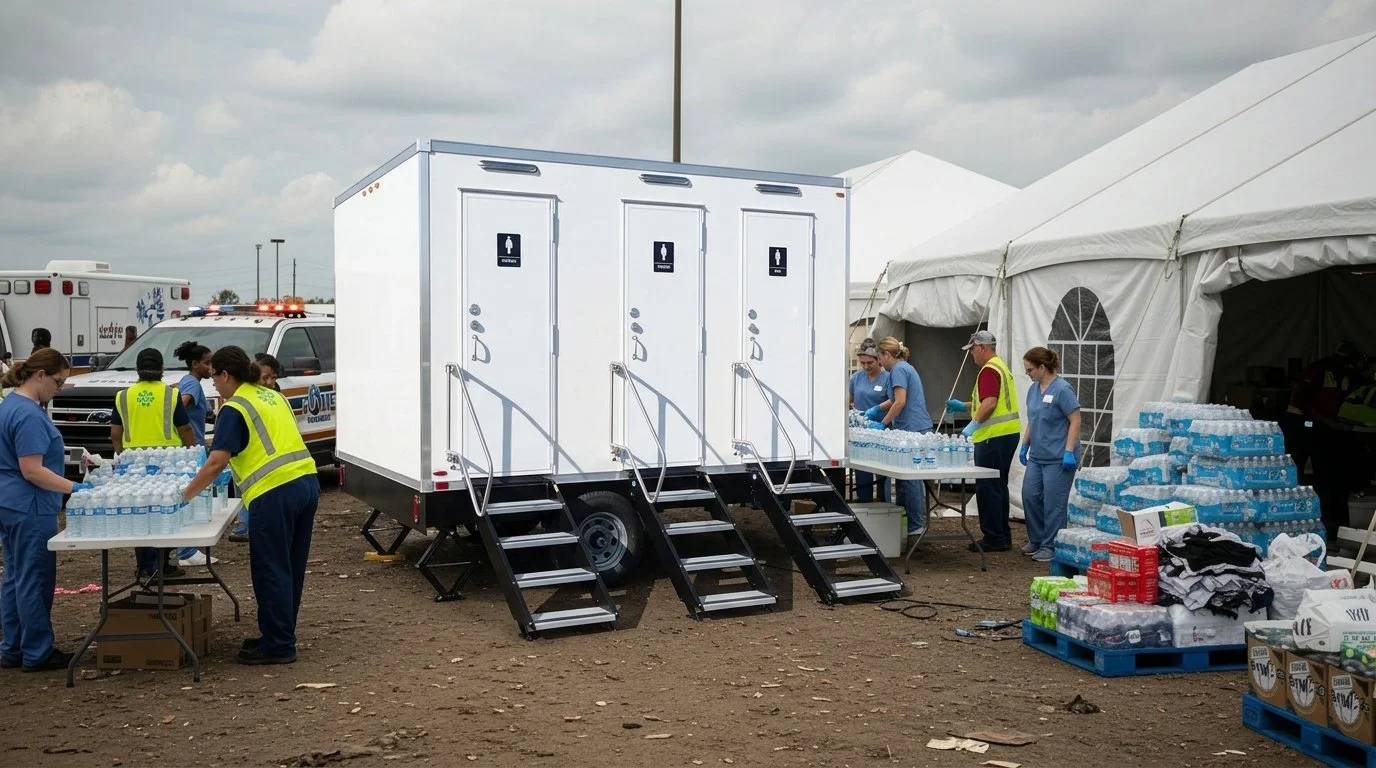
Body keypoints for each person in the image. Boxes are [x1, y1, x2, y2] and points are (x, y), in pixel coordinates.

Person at [181, 346, 319, 665]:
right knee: (290, 568)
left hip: (274, 492)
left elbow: (217, 461)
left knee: (270, 569)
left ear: (226, 375)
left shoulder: (236, 407)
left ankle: (279, 645)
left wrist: (186, 495)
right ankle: (279, 634)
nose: (212, 383)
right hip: (306, 482)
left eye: (214, 376)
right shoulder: (272, 395)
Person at [0, 349, 88, 671]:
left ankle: (13, 648)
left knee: (15, 577)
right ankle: (37, 651)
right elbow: (32, 470)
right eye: (58, 381)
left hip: (10, 502)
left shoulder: (9, 405)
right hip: (30, 504)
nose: (59, 388)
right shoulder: (29, 414)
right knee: (35, 577)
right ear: (40, 376)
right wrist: (75, 488)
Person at [112, 348, 198, 579]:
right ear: (162, 369)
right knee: (165, 511)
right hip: (168, 462)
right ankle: (162, 563)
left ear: (137, 369)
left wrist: (121, 456)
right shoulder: (170, 395)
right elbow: (185, 428)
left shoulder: (123, 396)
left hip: (134, 465)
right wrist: (193, 454)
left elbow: (115, 433)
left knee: (142, 512)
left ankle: (144, 565)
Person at [946, 330, 1021, 553]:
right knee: (999, 487)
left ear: (981, 347)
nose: (971, 355)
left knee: (988, 487)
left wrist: (972, 425)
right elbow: (989, 403)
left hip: (992, 436)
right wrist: (965, 406)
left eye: (971, 350)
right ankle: (1002, 535)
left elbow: (989, 404)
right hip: (1006, 434)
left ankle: (993, 537)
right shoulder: (1000, 367)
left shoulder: (988, 370)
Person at [1288, 340, 1369, 541]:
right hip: (1302, 425)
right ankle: (1294, 518)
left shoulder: (1350, 376)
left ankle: (1327, 520)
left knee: (1327, 474)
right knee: (1297, 472)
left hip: (1328, 429)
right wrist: (1328, 422)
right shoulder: (1318, 370)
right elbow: (1302, 402)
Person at [863, 337, 934, 536]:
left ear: (886, 355)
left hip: (912, 429)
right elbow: (895, 399)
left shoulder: (898, 371)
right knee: (904, 480)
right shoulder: (904, 368)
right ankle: (905, 521)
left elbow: (900, 402)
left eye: (879, 357)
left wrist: (883, 422)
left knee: (910, 480)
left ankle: (914, 524)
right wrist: (877, 408)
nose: (880, 363)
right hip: (912, 426)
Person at [1017, 347, 1081, 562]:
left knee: (1054, 503)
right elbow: (1034, 420)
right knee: (1030, 496)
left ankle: (1050, 545)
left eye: (1030, 370)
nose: (1028, 374)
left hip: (1058, 457)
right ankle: (1036, 538)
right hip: (1038, 455)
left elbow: (1075, 420)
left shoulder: (1063, 389)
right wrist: (1025, 444)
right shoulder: (1034, 390)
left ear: (1042, 367)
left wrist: (1069, 451)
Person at [230, 353, 284, 542]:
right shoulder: (246, 398)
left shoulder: (275, 397)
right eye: (265, 377)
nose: (269, 382)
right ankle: (245, 523)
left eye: (273, 378)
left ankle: (246, 524)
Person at [173, 341, 218, 567]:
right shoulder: (191, 384)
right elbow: (182, 403)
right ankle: (187, 551)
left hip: (190, 446)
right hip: (192, 447)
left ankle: (187, 548)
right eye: (207, 363)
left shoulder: (187, 381)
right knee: (193, 497)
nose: (211, 367)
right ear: (194, 364)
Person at [848, 339, 891, 503]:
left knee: (883, 472)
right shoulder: (856, 378)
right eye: (863, 363)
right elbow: (849, 400)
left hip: (881, 430)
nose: (866, 366)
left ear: (878, 359)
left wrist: (878, 410)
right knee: (862, 471)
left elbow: (894, 400)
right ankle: (864, 503)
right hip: (861, 433)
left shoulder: (887, 378)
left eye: (870, 362)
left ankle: (885, 504)